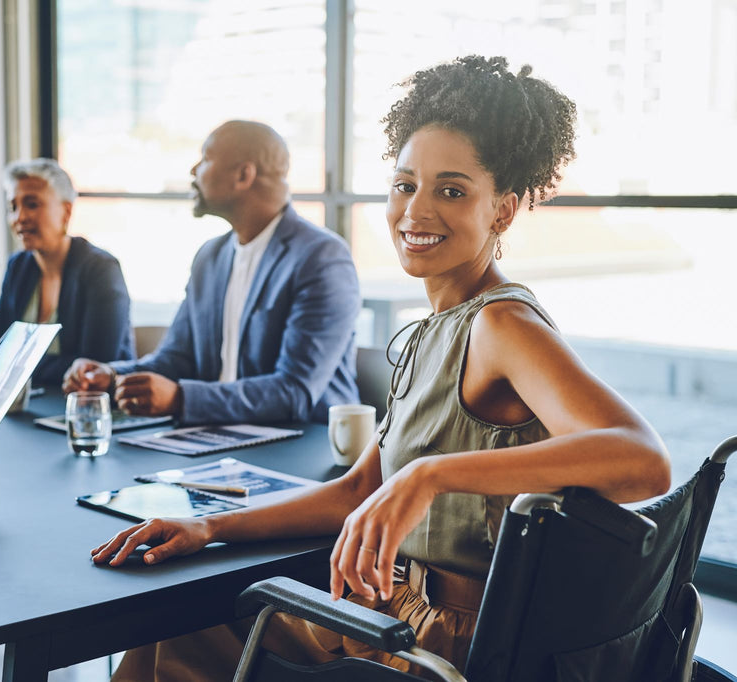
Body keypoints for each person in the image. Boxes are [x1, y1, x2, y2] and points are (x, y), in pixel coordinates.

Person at [90, 57, 672, 680]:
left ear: (501, 211)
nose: (416, 211)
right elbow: (356, 490)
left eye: (451, 190)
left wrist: (430, 475)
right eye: (404, 185)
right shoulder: (429, 333)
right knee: (162, 636)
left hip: (438, 645)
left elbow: (642, 459)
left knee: (176, 638)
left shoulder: (501, 326)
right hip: (394, 611)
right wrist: (207, 526)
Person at [63, 120, 360, 425]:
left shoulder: (321, 258)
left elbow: (294, 392)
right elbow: (175, 360)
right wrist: (110, 376)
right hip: (216, 435)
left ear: (244, 175)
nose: (194, 171)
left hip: (300, 444)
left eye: (205, 158)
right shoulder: (211, 256)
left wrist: (180, 398)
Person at [0, 157, 133, 386]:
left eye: (32, 204)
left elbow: (92, 365)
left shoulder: (101, 270)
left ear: (66, 212)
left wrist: (15, 364)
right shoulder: (19, 266)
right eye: (13, 207)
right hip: (33, 405)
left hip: (89, 407)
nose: (19, 217)